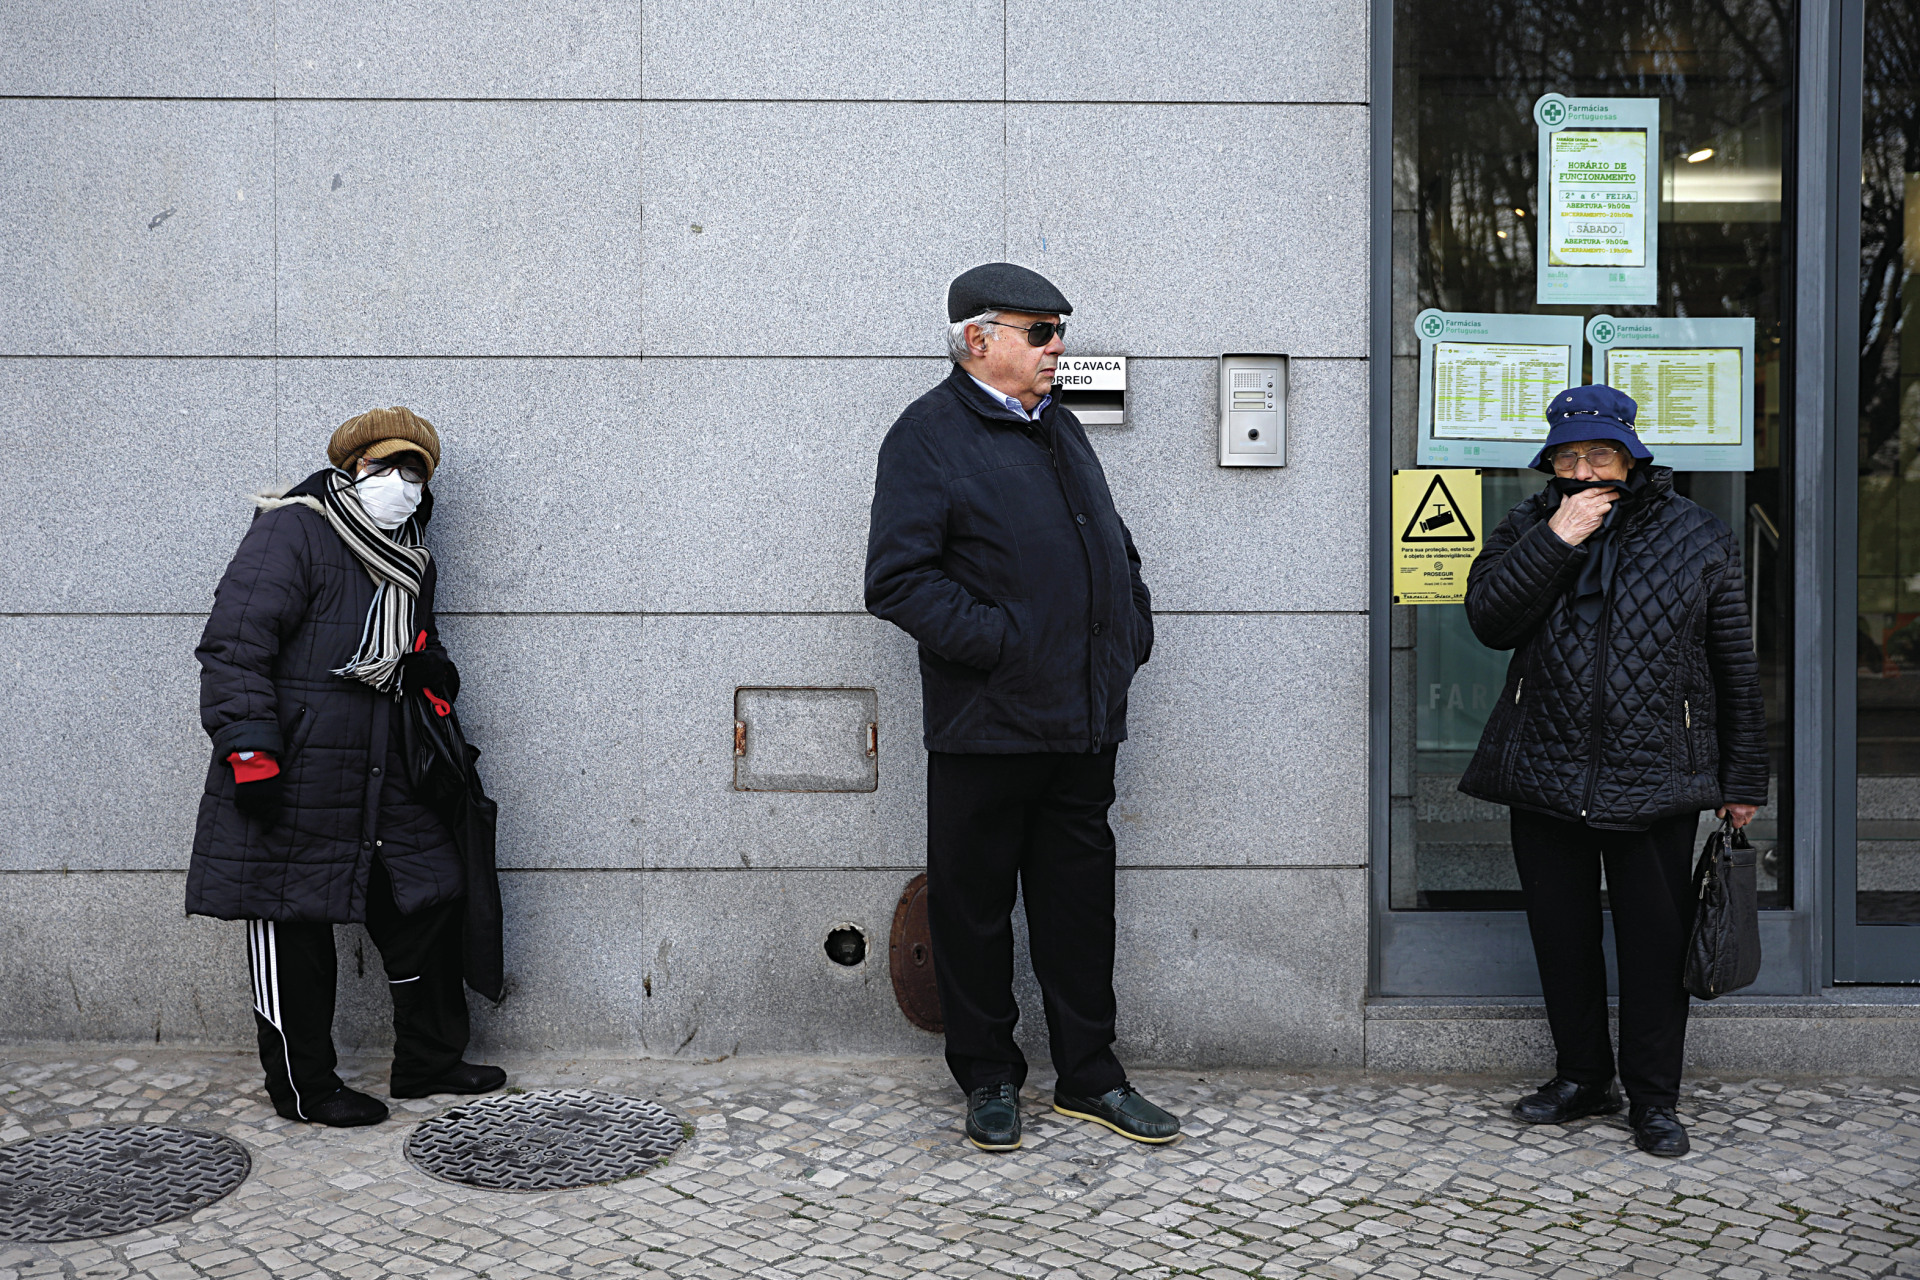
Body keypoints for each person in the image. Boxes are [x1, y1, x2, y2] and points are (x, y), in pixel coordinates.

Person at [864, 262, 1178, 1152]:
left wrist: (1128, 632)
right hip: (987, 726)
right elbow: (896, 580)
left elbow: (1113, 547)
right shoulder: (926, 435)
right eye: (1040, 332)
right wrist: (1007, 645)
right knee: (973, 910)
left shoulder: (1061, 428)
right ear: (978, 338)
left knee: (1080, 909)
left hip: (1082, 721)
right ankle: (990, 1078)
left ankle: (1091, 1077)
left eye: (1059, 332)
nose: (1057, 348)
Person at [1459, 384, 1768, 1158]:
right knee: (1561, 936)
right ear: (1553, 462)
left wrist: (1743, 779)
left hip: (1657, 772)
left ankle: (1655, 1101)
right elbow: (1490, 620)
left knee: (1654, 947)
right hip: (1546, 765)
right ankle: (1582, 1077)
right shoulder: (1528, 525)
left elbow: (1735, 663)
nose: (1586, 467)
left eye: (1601, 453)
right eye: (1570, 454)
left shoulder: (1699, 536)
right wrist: (1558, 538)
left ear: (1631, 457)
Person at [189, 407, 506, 1127]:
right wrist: (250, 753)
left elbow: (416, 648)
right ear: (350, 471)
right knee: (291, 926)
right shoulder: (294, 529)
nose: (401, 485)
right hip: (291, 771)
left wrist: (434, 676)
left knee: (432, 890)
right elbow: (234, 647)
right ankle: (307, 1088)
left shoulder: (411, 558)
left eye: (415, 474)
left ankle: (427, 1059)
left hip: (383, 768)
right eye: (385, 469)